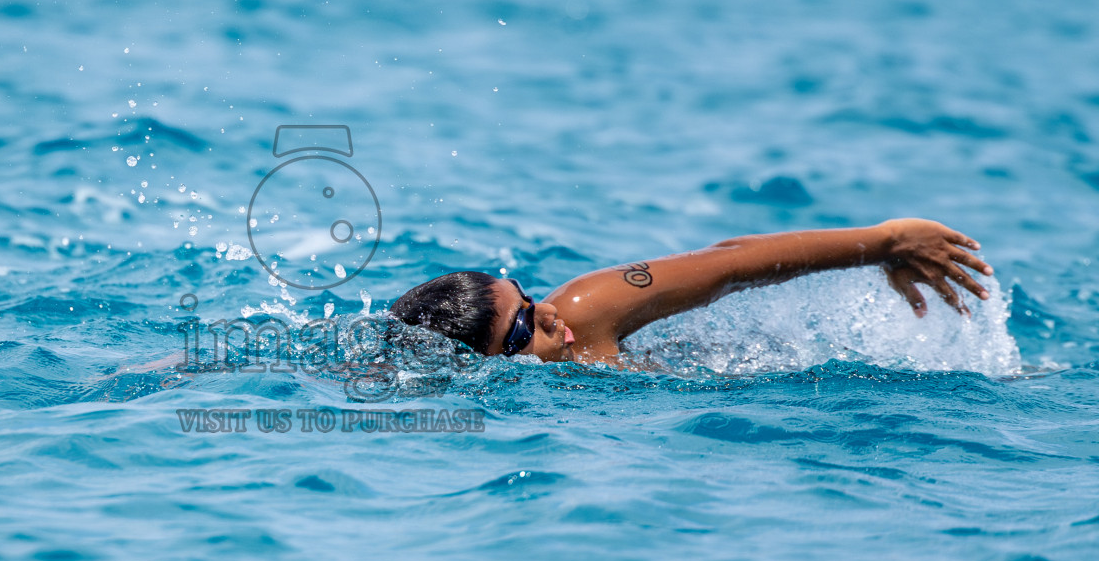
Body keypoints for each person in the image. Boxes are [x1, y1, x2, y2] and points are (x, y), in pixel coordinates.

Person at [389, 218, 994, 366]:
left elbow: (729, 263)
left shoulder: (587, 309)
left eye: (526, 296)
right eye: (523, 328)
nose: (546, 311)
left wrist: (884, 242)